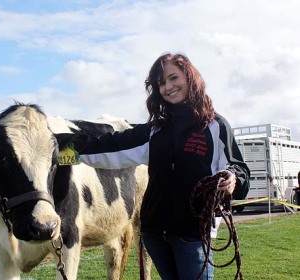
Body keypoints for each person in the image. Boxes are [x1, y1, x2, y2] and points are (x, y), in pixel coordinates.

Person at [76, 52, 250, 279]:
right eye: (161, 83)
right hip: (155, 233)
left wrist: (232, 178)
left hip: (193, 234)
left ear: (190, 77)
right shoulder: (155, 130)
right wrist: (64, 145)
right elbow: (110, 146)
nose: (168, 87)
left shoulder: (215, 126)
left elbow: (238, 168)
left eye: (173, 78)